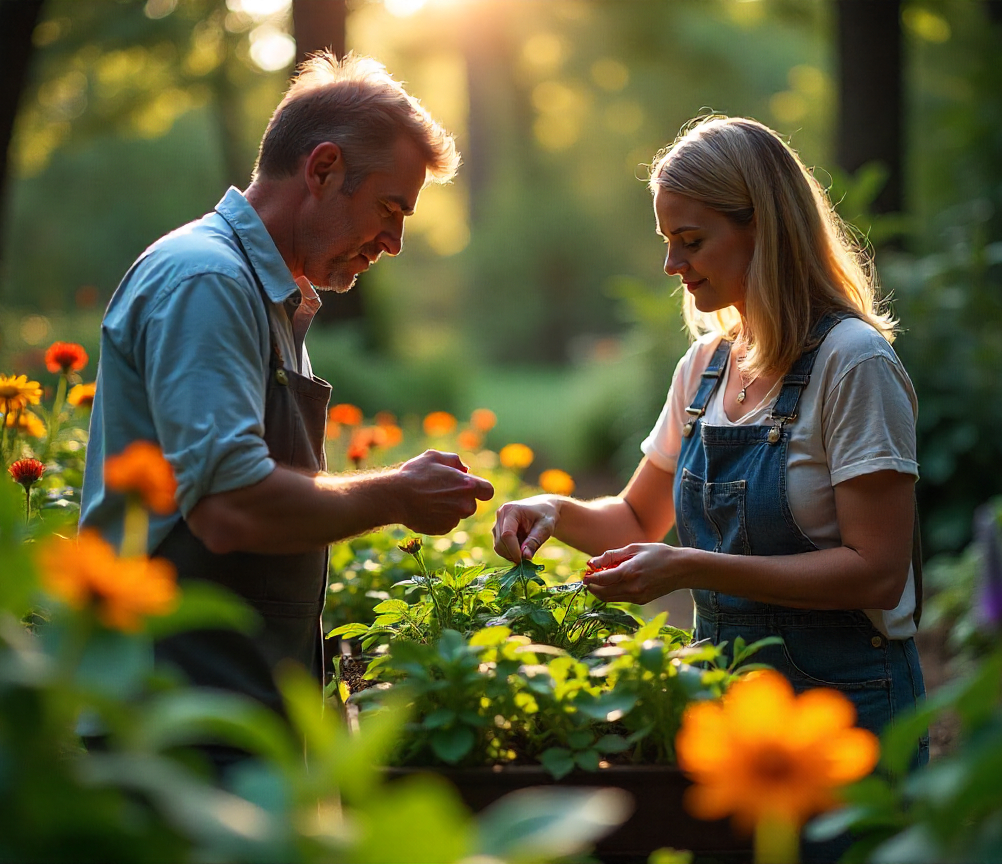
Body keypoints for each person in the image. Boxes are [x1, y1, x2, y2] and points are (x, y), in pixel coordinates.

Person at [80, 52, 494, 745]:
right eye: (390, 209)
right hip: (161, 714)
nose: (393, 242)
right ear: (323, 169)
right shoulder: (206, 281)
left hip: (218, 702)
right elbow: (231, 507)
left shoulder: (265, 293)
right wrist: (396, 495)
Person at [493, 115, 926, 762]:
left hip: (845, 711)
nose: (672, 264)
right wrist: (552, 511)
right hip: (726, 710)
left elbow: (877, 573)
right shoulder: (705, 367)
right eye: (668, 241)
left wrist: (691, 566)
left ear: (765, 229)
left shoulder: (853, 363)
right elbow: (639, 517)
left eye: (691, 240)